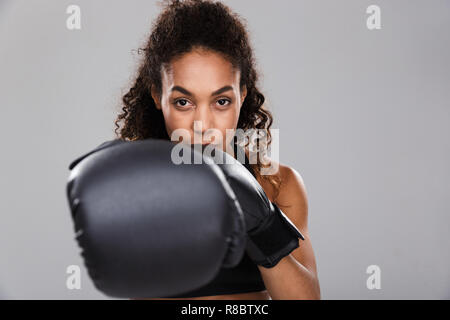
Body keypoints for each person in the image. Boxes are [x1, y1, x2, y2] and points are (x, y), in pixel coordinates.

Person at [112, 0, 320, 300]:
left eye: (221, 101)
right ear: (158, 96)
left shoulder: (276, 183)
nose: (202, 125)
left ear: (242, 95)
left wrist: (263, 227)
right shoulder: (133, 186)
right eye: (183, 102)